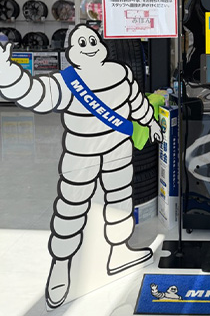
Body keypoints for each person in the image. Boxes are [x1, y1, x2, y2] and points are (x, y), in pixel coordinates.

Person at [0, 24, 162, 308]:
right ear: (71, 52)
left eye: (92, 41)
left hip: (118, 150)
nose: (88, 46)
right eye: (81, 43)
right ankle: (61, 265)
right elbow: (35, 93)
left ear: (101, 46)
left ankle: (119, 251)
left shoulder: (120, 73)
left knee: (120, 200)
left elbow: (136, 102)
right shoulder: (67, 82)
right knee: (71, 207)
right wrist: (7, 73)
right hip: (80, 154)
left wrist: (151, 122)